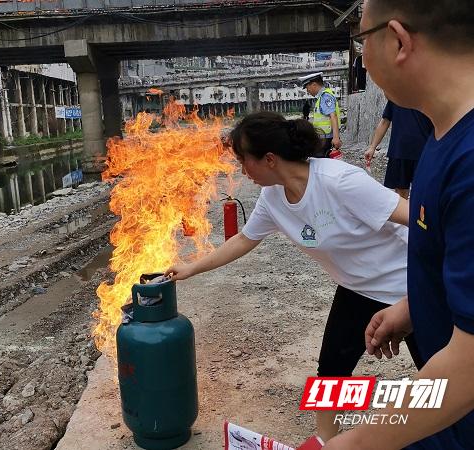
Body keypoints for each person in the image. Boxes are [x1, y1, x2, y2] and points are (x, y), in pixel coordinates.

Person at [165, 112, 421, 442]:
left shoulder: (339, 181)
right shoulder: (273, 198)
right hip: (358, 287)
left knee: (441, 369)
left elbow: (416, 218)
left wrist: (437, 281)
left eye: (245, 162)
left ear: (269, 159)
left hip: (411, 283)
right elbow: (244, 239)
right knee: (331, 371)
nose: (243, 172)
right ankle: (326, 442)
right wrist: (191, 267)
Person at [323, 1, 474, 449]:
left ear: (398, 40)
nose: (362, 57)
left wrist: (359, 441)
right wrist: (413, 308)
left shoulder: (468, 162)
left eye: (361, 41)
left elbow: (469, 362)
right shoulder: (441, 135)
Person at [364, 100, 433, 199]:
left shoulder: (427, 94)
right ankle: (404, 214)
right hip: (399, 151)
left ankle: (418, 215)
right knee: (400, 194)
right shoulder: (395, 95)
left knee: (422, 194)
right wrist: (372, 147)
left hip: (424, 152)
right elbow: (385, 121)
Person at [299, 72, 342, 157]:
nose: (308, 91)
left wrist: (336, 137)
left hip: (326, 139)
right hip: (322, 138)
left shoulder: (325, 97)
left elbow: (333, 116)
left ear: (314, 85)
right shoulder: (321, 97)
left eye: (307, 88)